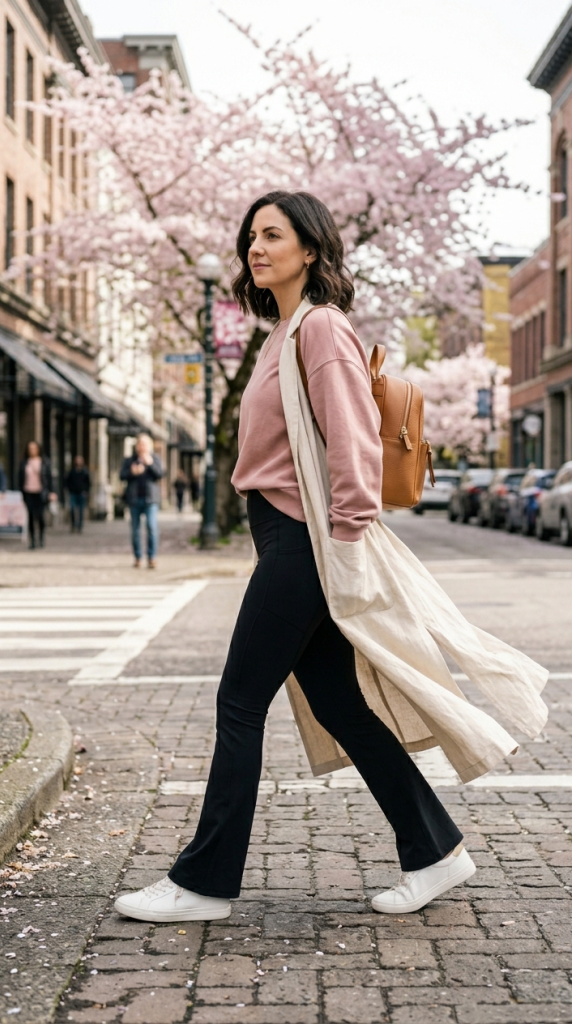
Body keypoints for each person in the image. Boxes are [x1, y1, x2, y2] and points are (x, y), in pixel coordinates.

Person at [114, 191, 545, 927]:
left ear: (310, 249)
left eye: (273, 235)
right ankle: (435, 849)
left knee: (239, 700)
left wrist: (344, 540)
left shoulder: (320, 329)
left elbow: (354, 440)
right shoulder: (282, 332)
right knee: (341, 702)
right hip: (284, 536)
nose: (256, 247)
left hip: (305, 542)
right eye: (251, 235)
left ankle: (204, 881)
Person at [120, 434, 163, 568]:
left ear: (149, 446)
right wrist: (132, 472)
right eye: (140, 444)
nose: (142, 447)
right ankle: (138, 557)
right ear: (136, 446)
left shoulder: (155, 458)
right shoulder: (129, 460)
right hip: (134, 499)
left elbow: (160, 474)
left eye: (144, 444)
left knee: (151, 527)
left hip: (150, 499)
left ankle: (151, 557)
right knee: (135, 530)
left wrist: (149, 464)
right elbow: (122, 475)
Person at [18, 441, 55, 549]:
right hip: (28, 492)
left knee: (40, 516)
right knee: (30, 516)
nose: (32, 450)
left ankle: (41, 538)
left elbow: (49, 478)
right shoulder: (24, 462)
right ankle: (32, 540)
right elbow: (20, 478)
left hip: (41, 493)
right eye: (30, 448)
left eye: (34, 448)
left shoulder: (44, 462)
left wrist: (51, 492)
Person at [65, 455, 91, 533]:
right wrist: (69, 489)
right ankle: (73, 524)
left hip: (81, 493)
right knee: (72, 509)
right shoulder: (72, 471)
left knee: (81, 511)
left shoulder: (85, 472)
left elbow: (88, 483)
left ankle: (79, 526)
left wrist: (85, 491)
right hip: (73, 493)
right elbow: (67, 481)